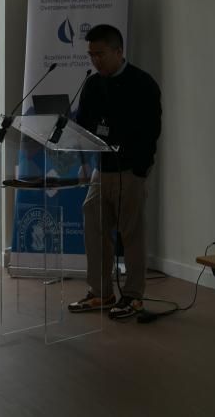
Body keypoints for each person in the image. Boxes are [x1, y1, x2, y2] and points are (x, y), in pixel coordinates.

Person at [67, 24, 161, 320]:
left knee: (131, 234)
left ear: (119, 51)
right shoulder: (93, 85)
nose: (96, 60)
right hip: (101, 167)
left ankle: (132, 296)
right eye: (91, 55)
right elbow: (83, 127)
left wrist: (140, 170)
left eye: (101, 54)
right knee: (94, 225)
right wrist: (83, 158)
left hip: (129, 170)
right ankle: (101, 292)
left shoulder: (143, 83)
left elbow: (151, 132)